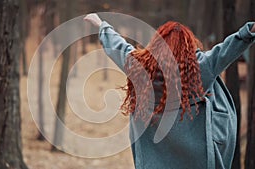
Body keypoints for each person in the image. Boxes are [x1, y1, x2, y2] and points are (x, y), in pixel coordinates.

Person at [84, 13, 255, 169]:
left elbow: (118, 47)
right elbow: (229, 47)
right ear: (188, 45)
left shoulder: (141, 69)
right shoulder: (199, 69)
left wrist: (101, 25)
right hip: (199, 160)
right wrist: (250, 30)